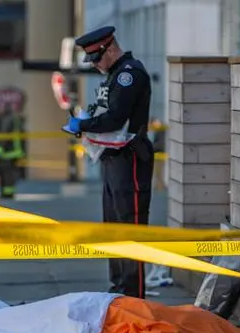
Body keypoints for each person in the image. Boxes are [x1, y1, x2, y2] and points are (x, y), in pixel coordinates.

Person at [67, 26, 154, 299]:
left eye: (95, 58)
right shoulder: (115, 75)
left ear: (110, 48)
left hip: (130, 158)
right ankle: (119, 290)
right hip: (113, 159)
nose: (93, 65)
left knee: (130, 227)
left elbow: (116, 118)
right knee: (113, 227)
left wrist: (84, 124)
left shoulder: (129, 74)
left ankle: (133, 296)